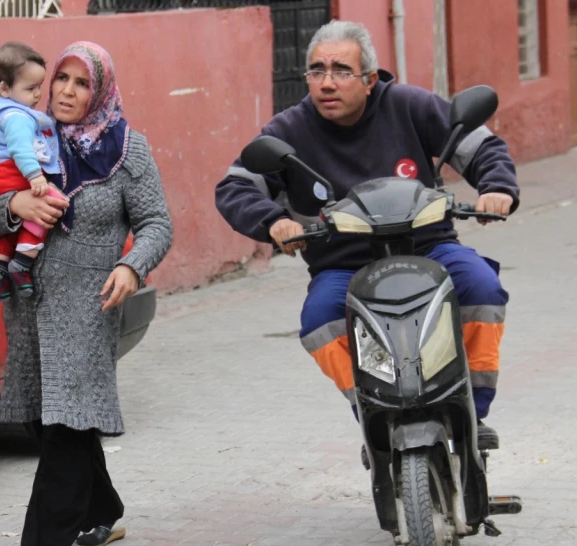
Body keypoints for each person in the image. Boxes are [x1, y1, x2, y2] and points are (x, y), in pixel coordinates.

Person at [215, 20, 519, 464]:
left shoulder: (410, 106)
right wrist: (273, 222)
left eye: (341, 71)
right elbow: (235, 186)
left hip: (427, 248)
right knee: (319, 321)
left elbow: (481, 146)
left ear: (369, 79)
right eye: (316, 71)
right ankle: (376, 413)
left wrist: (497, 189)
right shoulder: (289, 130)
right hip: (343, 264)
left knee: (481, 288)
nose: (327, 83)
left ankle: (473, 408)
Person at [0, 41, 173, 546]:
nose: (66, 92)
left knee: (64, 420)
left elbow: (157, 223)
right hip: (28, 300)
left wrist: (133, 267)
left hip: (90, 303)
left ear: (100, 90)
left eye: (82, 83)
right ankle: (103, 510)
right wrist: (16, 206)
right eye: (62, 79)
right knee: (48, 416)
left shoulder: (130, 149)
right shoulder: (27, 134)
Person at [0, 42, 69, 300]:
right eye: (31, 88)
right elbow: (21, 148)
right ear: (5, 88)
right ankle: (23, 262)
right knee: (52, 200)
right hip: (7, 171)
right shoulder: (17, 116)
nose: (37, 95)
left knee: (12, 223)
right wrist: (36, 176)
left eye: (40, 87)